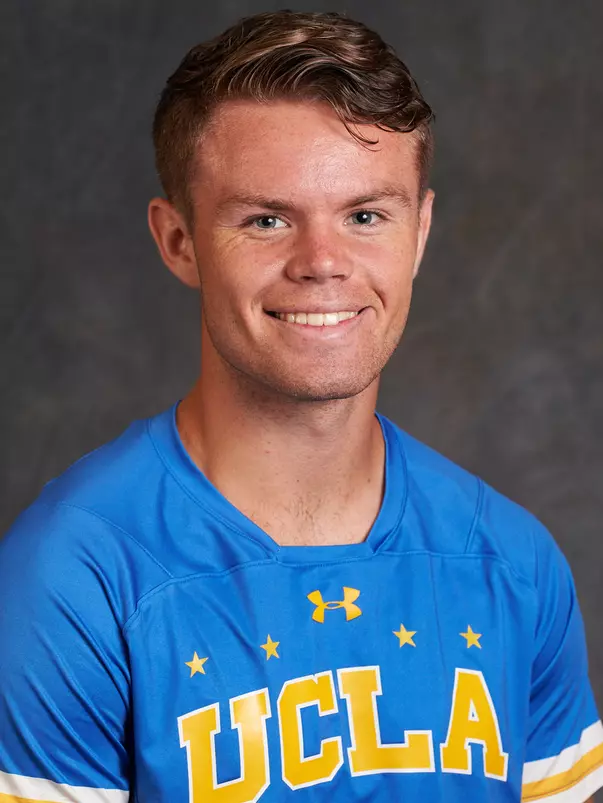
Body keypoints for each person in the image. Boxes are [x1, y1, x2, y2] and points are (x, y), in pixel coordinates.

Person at [0, 9, 600, 803]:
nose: (321, 263)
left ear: (417, 231)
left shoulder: (512, 563)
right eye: (266, 219)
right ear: (178, 240)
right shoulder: (75, 577)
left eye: (364, 216)